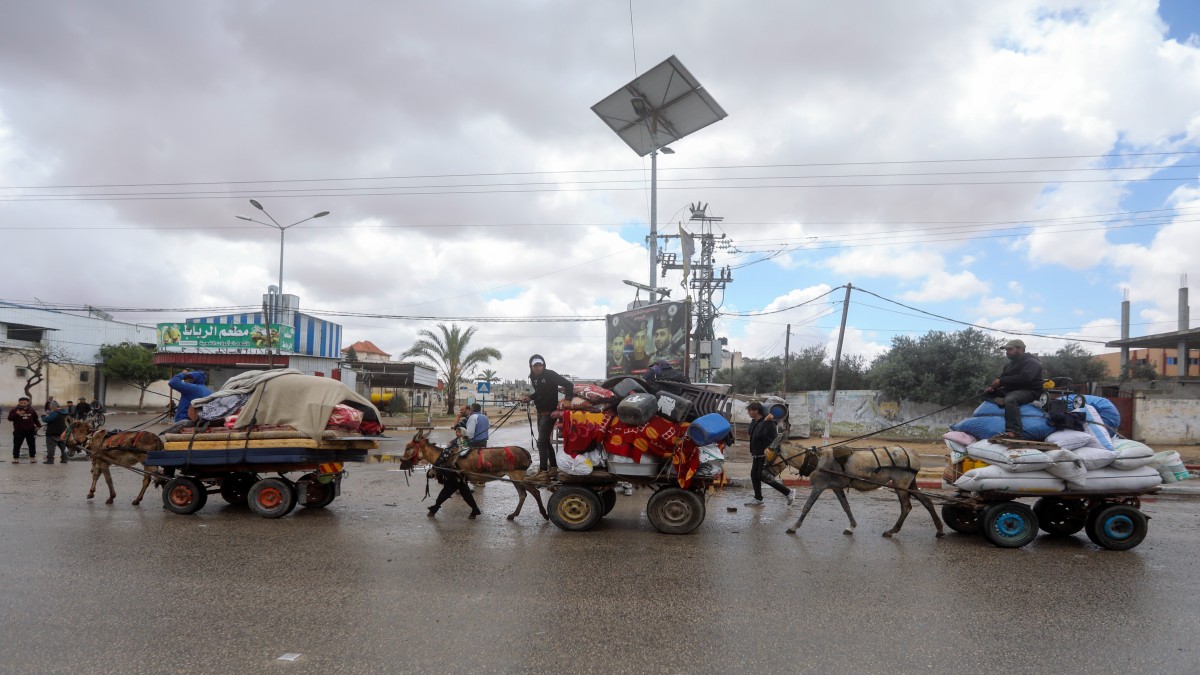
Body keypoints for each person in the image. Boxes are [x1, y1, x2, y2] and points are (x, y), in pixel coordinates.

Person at [523, 354, 574, 478]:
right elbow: (540, 392)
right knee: (545, 441)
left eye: (540, 365)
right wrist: (530, 397)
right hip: (540, 412)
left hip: (549, 413)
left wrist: (567, 399)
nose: (538, 368)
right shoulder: (533, 377)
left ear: (544, 365)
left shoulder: (550, 374)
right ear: (531, 366)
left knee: (541, 443)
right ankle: (554, 467)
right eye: (536, 365)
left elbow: (569, 385)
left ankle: (543, 471)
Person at [985, 339, 1043, 439]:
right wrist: (993, 387)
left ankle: (1014, 432)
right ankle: (1003, 402)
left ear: (1021, 349)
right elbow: (1003, 378)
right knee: (983, 392)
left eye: (1010, 349)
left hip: (1029, 391)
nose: (1007, 352)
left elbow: (1025, 378)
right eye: (1006, 350)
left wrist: (1001, 381)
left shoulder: (1032, 362)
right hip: (1011, 390)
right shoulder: (1009, 365)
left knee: (1011, 399)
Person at [744, 401, 795, 507]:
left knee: (763, 477)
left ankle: (789, 492)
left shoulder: (769, 423)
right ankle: (758, 499)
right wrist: (756, 421)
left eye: (750, 410)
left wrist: (765, 421)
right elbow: (750, 432)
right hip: (757, 454)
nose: (748, 412)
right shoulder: (756, 421)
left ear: (756, 411)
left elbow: (759, 435)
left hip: (766, 455)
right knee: (754, 476)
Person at [426, 443, 481, 519]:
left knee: (445, 495)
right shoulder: (446, 456)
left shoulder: (444, 457)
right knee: (466, 495)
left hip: (454, 479)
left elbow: (439, 469)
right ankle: (475, 510)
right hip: (456, 478)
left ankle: (434, 509)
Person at [8, 397, 41, 464]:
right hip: (18, 430)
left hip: (30, 430)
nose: (23, 404)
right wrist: (16, 414)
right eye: (21, 403)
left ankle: (32, 458)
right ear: (18, 403)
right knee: (17, 445)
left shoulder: (31, 410)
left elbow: (35, 419)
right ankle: (16, 458)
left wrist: (38, 425)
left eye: (24, 403)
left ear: (28, 403)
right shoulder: (14, 410)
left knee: (31, 445)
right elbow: (9, 418)